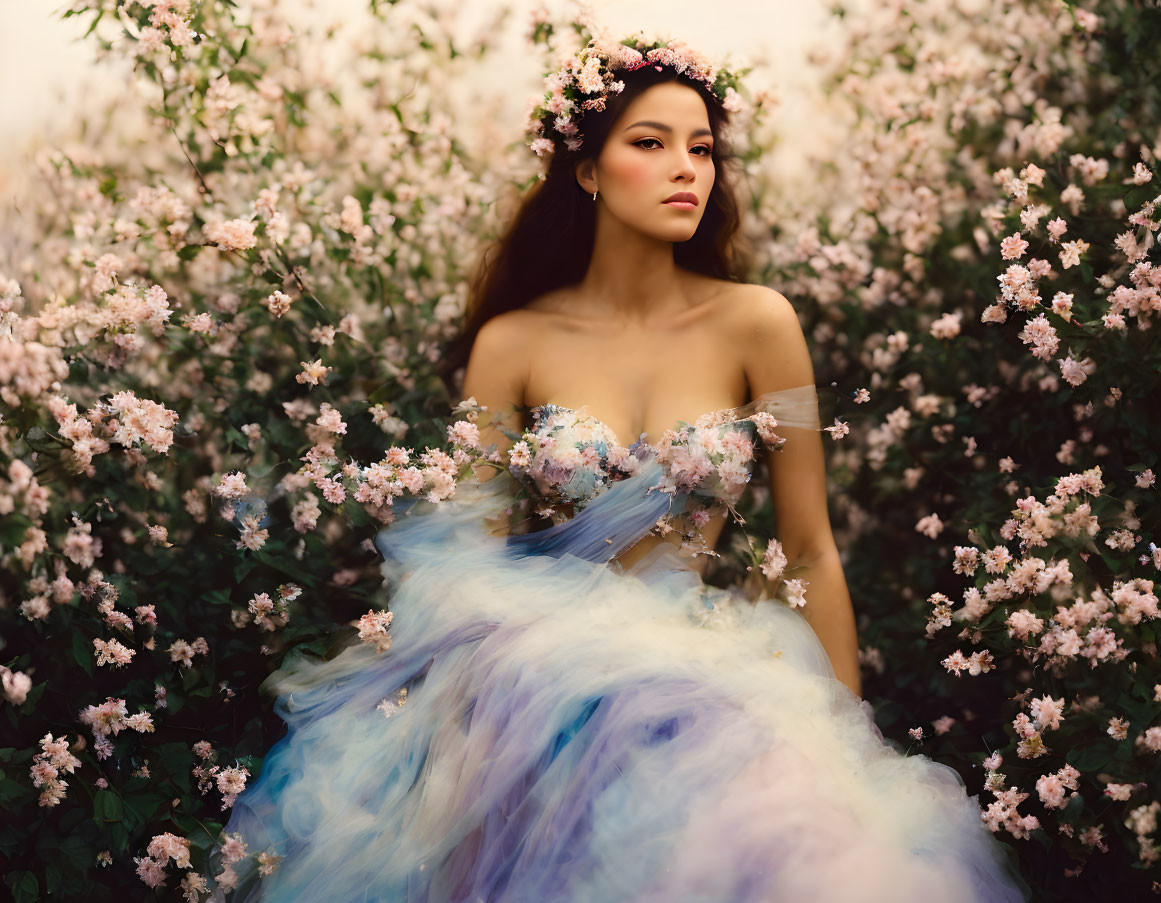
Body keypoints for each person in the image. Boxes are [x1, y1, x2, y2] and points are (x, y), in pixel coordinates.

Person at [205, 30, 1032, 903]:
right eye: (651, 143)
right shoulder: (512, 342)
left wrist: (844, 745)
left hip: (715, 673)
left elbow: (810, 549)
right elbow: (460, 562)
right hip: (546, 685)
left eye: (702, 147)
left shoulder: (759, 325)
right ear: (587, 171)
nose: (688, 168)